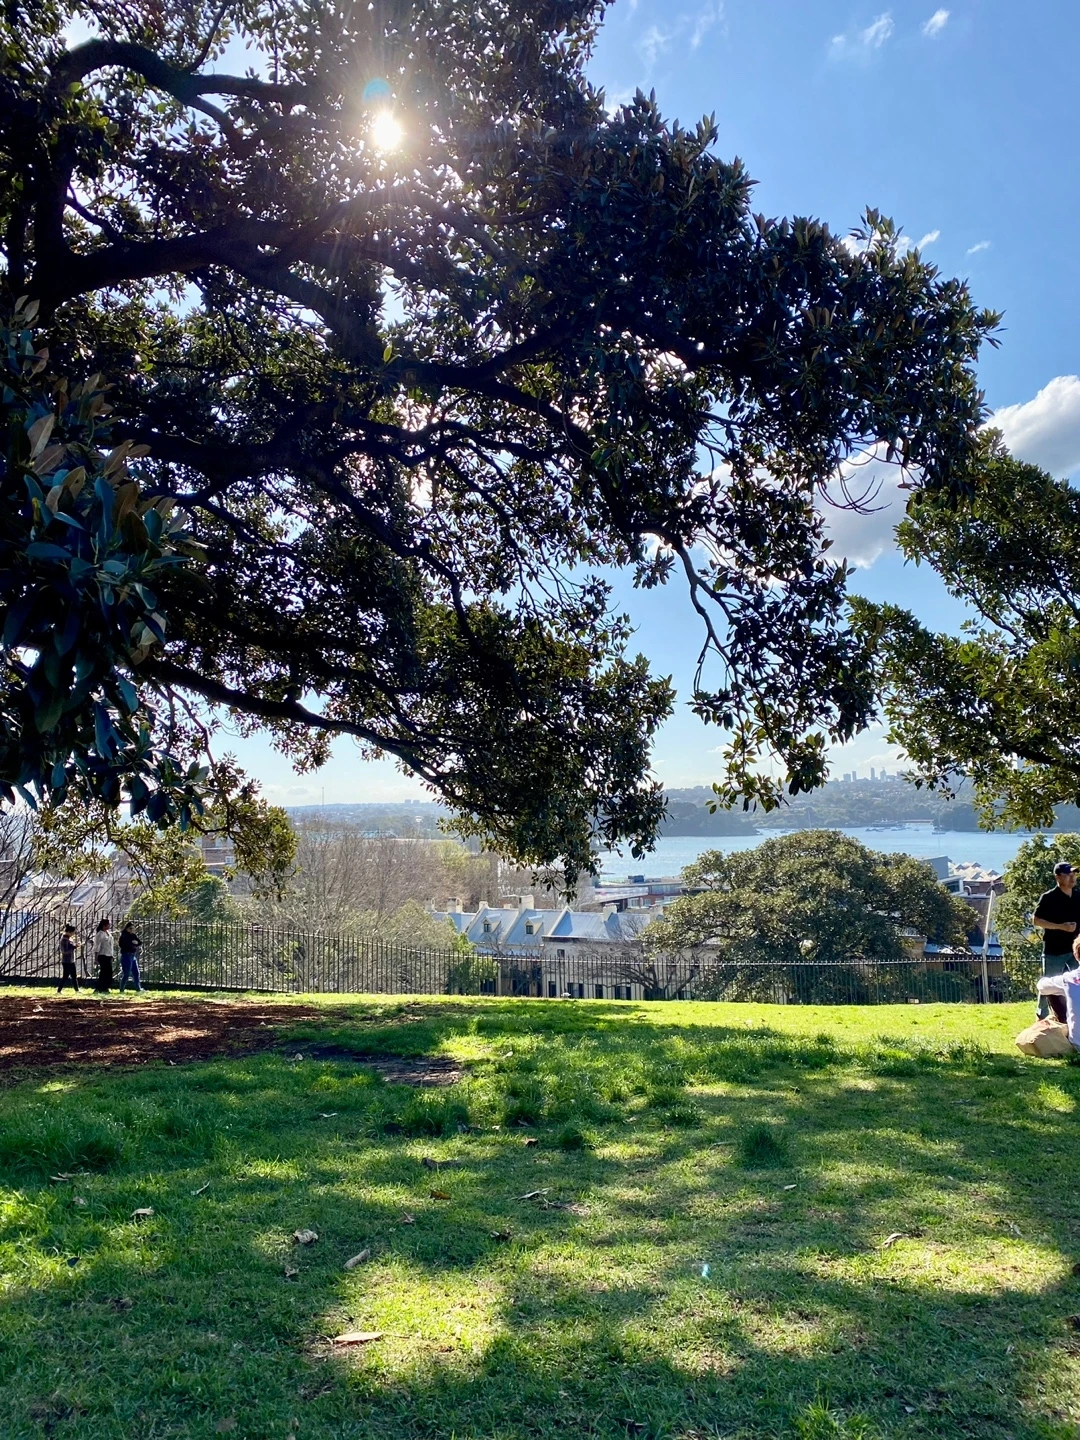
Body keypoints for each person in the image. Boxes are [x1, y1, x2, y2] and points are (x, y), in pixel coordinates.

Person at [1032, 861, 1080, 1017]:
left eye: (1074, 874)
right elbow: (1036, 920)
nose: (1072, 878)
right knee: (1048, 983)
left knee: (1077, 981)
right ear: (1057, 877)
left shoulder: (1078, 896)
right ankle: (1042, 1014)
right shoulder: (1048, 898)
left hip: (1075, 949)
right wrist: (1061, 927)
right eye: (1068, 875)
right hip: (1055, 950)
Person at [118, 921, 143, 994]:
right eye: (130, 928)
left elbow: (139, 942)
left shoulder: (133, 935)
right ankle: (122, 989)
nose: (132, 930)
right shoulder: (124, 936)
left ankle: (138, 988)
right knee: (126, 973)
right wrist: (133, 943)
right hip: (126, 955)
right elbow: (125, 944)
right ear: (127, 928)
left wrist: (135, 943)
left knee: (136, 972)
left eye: (133, 928)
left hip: (132, 955)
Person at [93, 918, 115, 993]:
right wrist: (96, 958)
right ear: (104, 925)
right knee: (104, 972)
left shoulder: (108, 933)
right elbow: (97, 946)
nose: (110, 925)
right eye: (108, 924)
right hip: (102, 955)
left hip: (108, 955)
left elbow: (110, 945)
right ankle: (99, 987)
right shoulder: (100, 934)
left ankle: (105, 987)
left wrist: (112, 955)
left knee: (109, 972)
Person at [57, 923, 80, 994]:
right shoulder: (64, 940)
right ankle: (59, 990)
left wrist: (74, 946)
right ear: (69, 932)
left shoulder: (68, 939)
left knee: (72, 976)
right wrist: (74, 947)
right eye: (73, 932)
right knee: (67, 976)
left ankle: (76, 990)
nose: (73, 934)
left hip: (70, 960)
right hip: (67, 961)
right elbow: (64, 951)